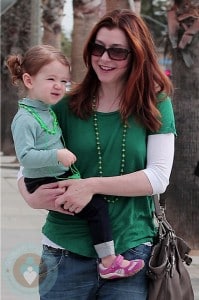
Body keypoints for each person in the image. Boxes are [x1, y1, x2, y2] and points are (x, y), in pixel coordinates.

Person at [18, 9, 176, 300]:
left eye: (117, 52)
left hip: (131, 252)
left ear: (137, 55)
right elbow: (27, 163)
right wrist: (29, 196)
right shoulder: (63, 104)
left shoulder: (156, 104)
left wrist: (90, 185)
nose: (104, 58)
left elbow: (158, 177)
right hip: (64, 252)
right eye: (98, 48)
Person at [7, 44, 144, 281]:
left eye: (64, 81)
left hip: (56, 175)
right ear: (29, 81)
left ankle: (107, 259)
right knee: (97, 207)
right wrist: (57, 156)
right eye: (51, 79)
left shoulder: (46, 111)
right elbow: (26, 157)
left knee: (95, 206)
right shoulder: (25, 119)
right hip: (45, 178)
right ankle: (109, 262)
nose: (59, 86)